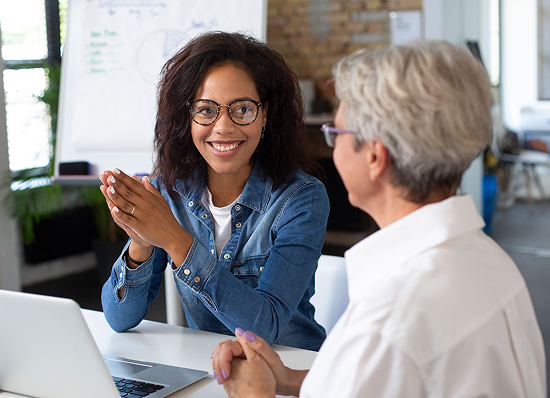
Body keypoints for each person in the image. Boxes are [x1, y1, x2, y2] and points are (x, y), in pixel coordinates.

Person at [211, 40, 547, 397]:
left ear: (375, 156)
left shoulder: (390, 321)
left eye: (335, 132)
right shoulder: (489, 260)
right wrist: (288, 379)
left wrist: (256, 394)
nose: (332, 146)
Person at [99, 31, 329, 351]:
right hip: (209, 371)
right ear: (187, 117)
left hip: (292, 372)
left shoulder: (302, 199)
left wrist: (175, 240)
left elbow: (266, 326)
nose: (223, 127)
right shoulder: (171, 191)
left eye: (242, 109)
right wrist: (141, 241)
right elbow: (118, 318)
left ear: (265, 115)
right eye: (207, 110)